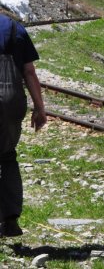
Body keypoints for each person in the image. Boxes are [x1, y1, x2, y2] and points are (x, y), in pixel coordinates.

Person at [0, 13, 46, 238]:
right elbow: (29, 71)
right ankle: (10, 221)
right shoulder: (14, 28)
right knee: (7, 156)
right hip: (10, 101)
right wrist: (39, 107)